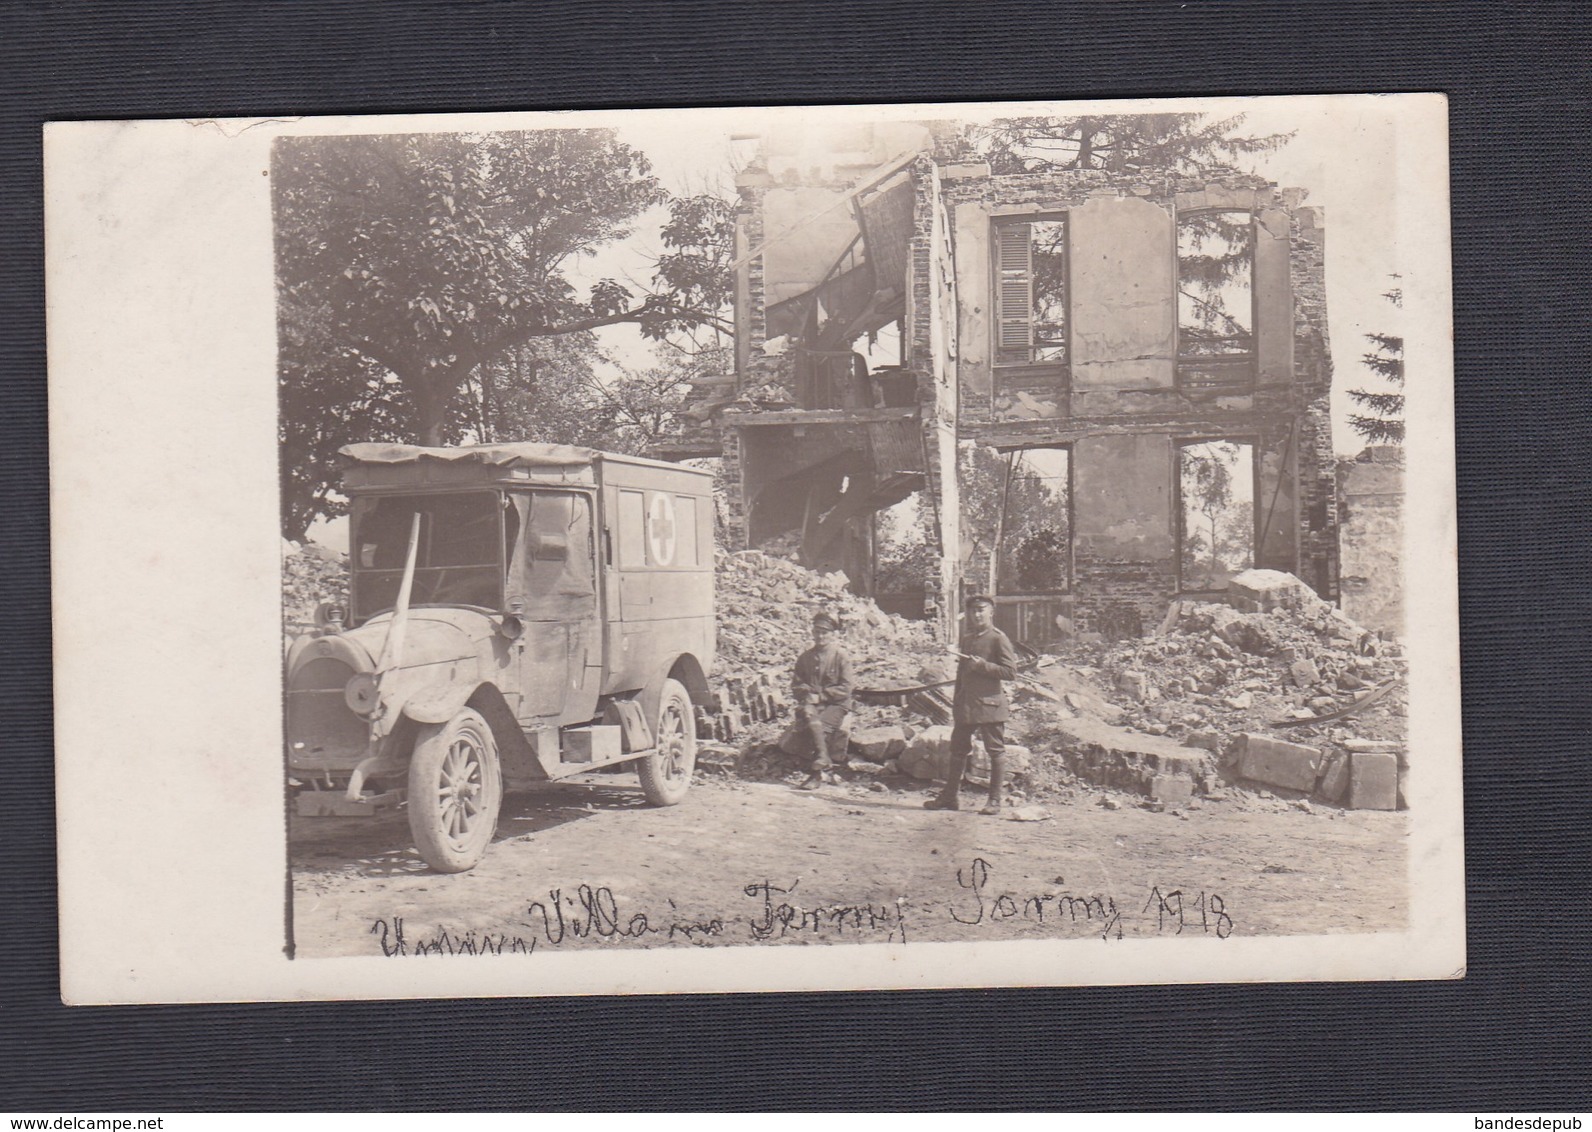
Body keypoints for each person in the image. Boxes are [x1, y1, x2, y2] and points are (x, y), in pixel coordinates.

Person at [926, 594, 1019, 814]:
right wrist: (957, 699)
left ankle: (995, 801)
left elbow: (1010, 672)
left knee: (995, 751)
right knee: (957, 750)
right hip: (966, 705)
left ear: (991, 612)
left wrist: (983, 666)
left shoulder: (999, 639)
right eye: (972, 610)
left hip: (990, 706)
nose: (976, 615)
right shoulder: (968, 639)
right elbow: (961, 673)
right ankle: (950, 797)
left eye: (981, 610)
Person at [791, 611, 854, 790]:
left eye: (824, 632)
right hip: (812, 703)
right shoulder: (805, 658)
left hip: (837, 704)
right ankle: (824, 762)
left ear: (832, 634)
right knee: (809, 713)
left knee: (820, 727)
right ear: (812, 632)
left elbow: (847, 688)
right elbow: (796, 685)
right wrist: (807, 694)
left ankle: (816, 774)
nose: (820, 636)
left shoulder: (840, 657)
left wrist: (822, 696)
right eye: (817, 631)